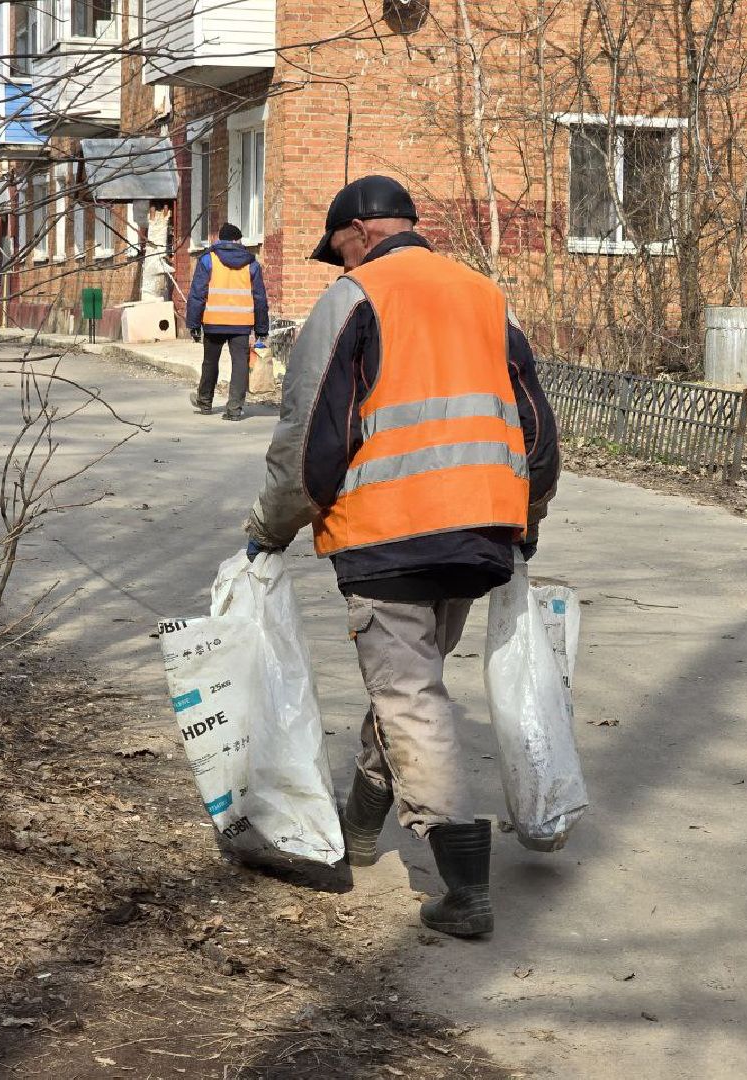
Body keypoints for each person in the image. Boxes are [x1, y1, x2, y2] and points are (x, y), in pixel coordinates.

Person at [242, 175, 559, 938]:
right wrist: (529, 515)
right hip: (482, 533)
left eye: (337, 251)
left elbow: (310, 440)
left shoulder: (353, 300)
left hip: (389, 535)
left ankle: (465, 891)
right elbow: (537, 426)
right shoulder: (487, 296)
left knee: (411, 697)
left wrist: (266, 531)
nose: (338, 264)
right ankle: (355, 831)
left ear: (356, 232)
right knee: (407, 685)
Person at [184, 223, 270, 421]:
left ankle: (204, 402)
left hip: (213, 321)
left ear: (219, 240)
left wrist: (194, 324)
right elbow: (259, 298)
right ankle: (234, 409)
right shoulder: (251, 263)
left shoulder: (208, 260)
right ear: (237, 240)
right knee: (240, 363)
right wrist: (261, 328)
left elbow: (197, 294)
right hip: (241, 323)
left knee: (210, 362)